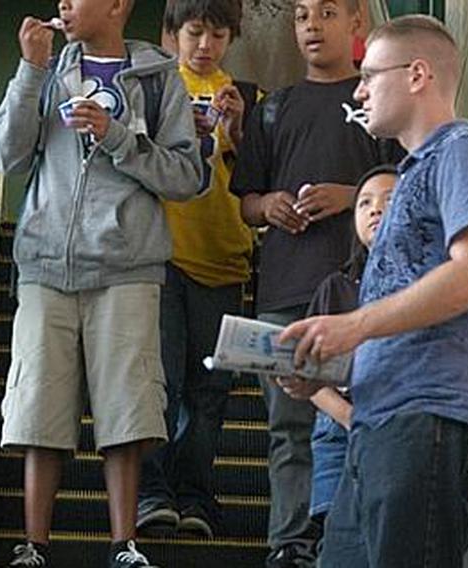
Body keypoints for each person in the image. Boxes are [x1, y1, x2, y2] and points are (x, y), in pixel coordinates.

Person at [279, 14, 468, 567]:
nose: (359, 89)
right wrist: (325, 366)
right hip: (374, 426)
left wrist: (354, 325)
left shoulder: (465, 154)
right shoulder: (411, 176)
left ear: (417, 74)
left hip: (425, 422)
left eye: (369, 74)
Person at [0, 0, 202, 565]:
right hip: (44, 262)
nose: (63, 4)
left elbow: (187, 176)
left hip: (127, 265)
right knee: (37, 406)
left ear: (116, 6)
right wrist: (31, 69)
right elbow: (7, 157)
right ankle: (33, 545)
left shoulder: (160, 79)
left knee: (128, 407)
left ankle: (124, 544)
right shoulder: (49, 68)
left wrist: (117, 136)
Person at [229, 1, 403, 566]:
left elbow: (403, 188)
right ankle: (290, 544)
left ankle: (347, 540)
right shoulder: (273, 108)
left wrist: (349, 196)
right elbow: (246, 202)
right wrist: (269, 205)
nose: (311, 25)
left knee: (360, 416)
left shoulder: (376, 101)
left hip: (362, 295)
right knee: (288, 424)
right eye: (302, 14)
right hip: (284, 287)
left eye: (327, 12)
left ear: (356, 24)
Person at [136, 0, 260, 540]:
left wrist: (236, 131)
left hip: (226, 261)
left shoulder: (252, 99)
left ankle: (195, 496)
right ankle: (151, 492)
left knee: (210, 391)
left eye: (216, 34)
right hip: (160, 257)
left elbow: (260, 183)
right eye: (194, 33)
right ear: (171, 35)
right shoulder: (153, 88)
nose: (204, 45)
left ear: (231, 38)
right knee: (156, 381)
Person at [276, 165, 396, 539]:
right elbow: (312, 375)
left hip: (397, 422)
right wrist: (346, 415)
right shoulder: (337, 286)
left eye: (390, 201)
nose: (375, 209)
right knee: (337, 534)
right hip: (338, 426)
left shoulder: (424, 289)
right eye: (363, 203)